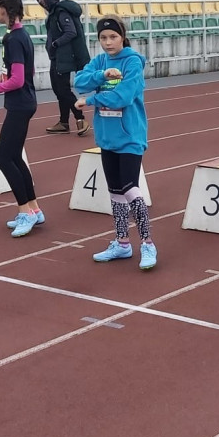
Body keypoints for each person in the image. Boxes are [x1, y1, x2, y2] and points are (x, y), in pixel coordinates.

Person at [74, 16, 157, 270]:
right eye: (103, 38)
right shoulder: (100, 62)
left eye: (113, 37)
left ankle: (147, 243)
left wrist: (91, 101)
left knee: (130, 188)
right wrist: (102, 75)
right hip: (107, 137)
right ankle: (122, 242)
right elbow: (79, 82)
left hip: (130, 136)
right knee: (115, 192)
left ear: (122, 37)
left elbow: (124, 96)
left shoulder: (132, 62)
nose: (108, 42)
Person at [0, 0, 44, 238]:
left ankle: (25, 212)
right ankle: (34, 209)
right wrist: (0, 77)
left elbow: (18, 80)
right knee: (15, 158)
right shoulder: (21, 35)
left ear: (3, 10)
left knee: (3, 158)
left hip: (20, 104)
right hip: (24, 102)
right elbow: (22, 72)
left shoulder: (13, 39)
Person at [33, 0, 91, 136]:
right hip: (57, 57)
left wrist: (55, 44)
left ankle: (80, 118)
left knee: (63, 90)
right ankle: (64, 122)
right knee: (59, 90)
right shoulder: (54, 13)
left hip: (63, 57)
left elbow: (71, 32)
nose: (40, 1)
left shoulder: (61, 12)